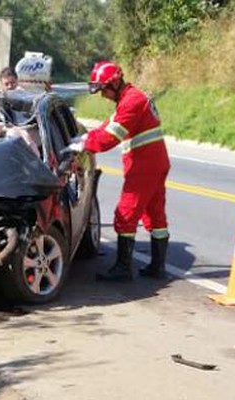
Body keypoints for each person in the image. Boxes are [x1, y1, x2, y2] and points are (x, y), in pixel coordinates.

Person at [68, 61, 170, 281]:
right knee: (155, 214)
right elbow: (108, 125)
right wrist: (87, 136)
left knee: (125, 214)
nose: (103, 95)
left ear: (114, 83)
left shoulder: (132, 102)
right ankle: (158, 267)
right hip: (154, 163)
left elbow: (110, 137)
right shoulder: (130, 98)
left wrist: (85, 144)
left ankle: (123, 269)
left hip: (144, 166)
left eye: (103, 89)